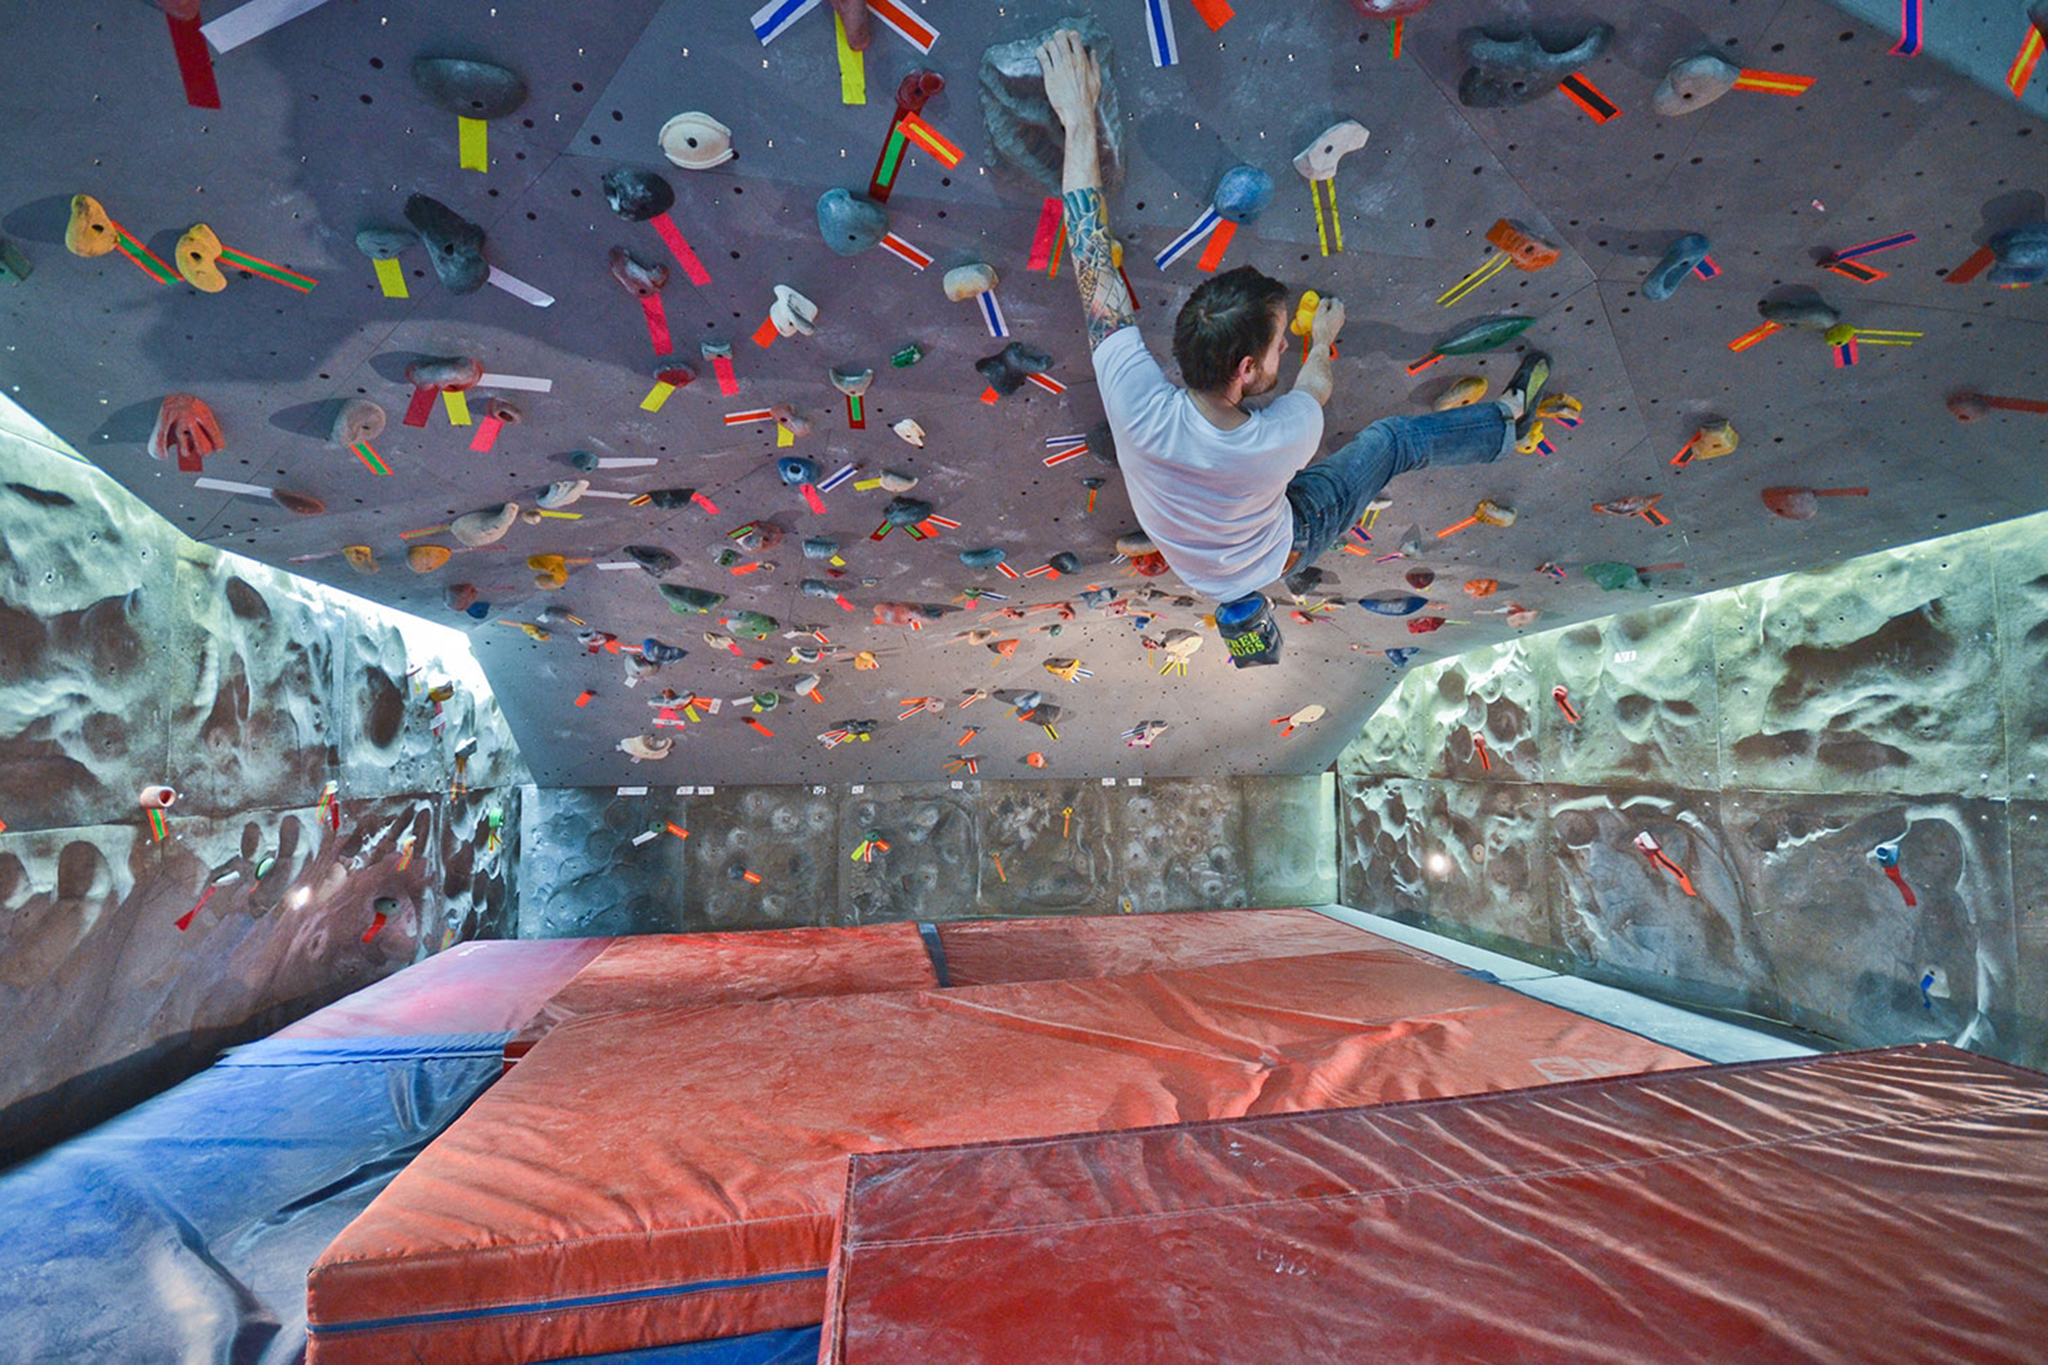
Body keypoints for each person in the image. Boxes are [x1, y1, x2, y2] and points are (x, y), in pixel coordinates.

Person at [1035, 29, 1552, 667]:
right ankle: (1507, 425)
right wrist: (1324, 338)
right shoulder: (1264, 435)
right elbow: (1315, 386)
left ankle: (1243, 611)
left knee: (1290, 511)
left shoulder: (1145, 401)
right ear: (1247, 368)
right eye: (1283, 344)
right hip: (1279, 542)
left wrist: (1076, 117)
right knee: (1392, 443)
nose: (1289, 349)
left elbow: (1091, 256)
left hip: (1212, 557)